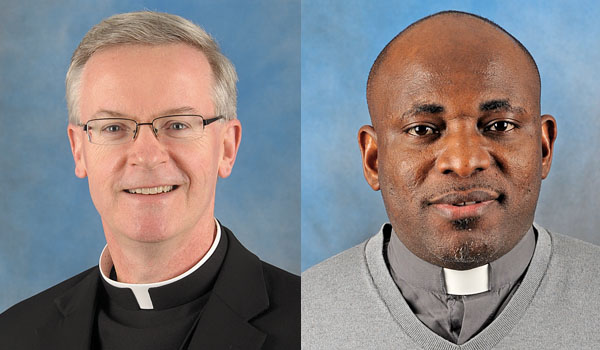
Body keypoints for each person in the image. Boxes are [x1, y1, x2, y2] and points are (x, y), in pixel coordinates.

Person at [0, 11, 299, 350]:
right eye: (113, 128)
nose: (146, 155)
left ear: (227, 148)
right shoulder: (14, 335)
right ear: (78, 150)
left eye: (178, 124)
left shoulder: (310, 324)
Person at [302, 10, 600, 349]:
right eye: (423, 129)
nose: (463, 162)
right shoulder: (303, 313)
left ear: (544, 148)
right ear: (373, 159)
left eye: (500, 125)